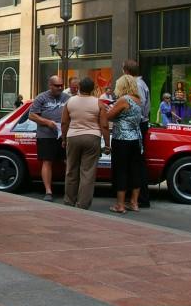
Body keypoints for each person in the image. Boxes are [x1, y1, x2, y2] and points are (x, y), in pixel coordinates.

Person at [60, 77, 109, 210]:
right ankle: (83, 204)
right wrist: (108, 144)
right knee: (88, 173)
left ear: (79, 87)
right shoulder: (98, 103)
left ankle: (69, 200)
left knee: (71, 170)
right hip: (92, 138)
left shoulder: (70, 101)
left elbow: (64, 122)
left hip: (73, 137)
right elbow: (104, 125)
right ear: (93, 89)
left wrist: (64, 139)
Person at [105, 74, 143, 213]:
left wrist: (107, 110)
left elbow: (109, 116)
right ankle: (134, 203)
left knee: (121, 171)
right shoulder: (138, 100)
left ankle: (120, 205)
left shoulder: (123, 100)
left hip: (121, 139)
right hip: (135, 138)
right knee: (135, 170)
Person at [29, 75, 70, 202]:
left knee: (68, 161)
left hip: (64, 135)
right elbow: (32, 115)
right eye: (57, 85)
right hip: (46, 135)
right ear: (50, 85)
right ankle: (48, 191)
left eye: (61, 85)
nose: (60, 88)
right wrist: (47, 122)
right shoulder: (42, 97)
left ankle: (69, 191)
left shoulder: (67, 98)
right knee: (47, 162)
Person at [122, 60, 150, 207]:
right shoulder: (141, 83)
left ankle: (140, 198)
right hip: (139, 123)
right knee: (136, 161)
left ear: (126, 71)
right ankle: (135, 197)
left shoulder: (137, 85)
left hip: (137, 124)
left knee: (136, 162)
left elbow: (139, 105)